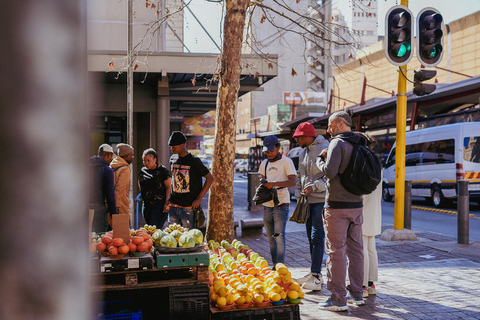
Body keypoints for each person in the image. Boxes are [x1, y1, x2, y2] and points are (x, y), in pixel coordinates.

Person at [316, 108, 365, 311]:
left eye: (330, 125)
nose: (328, 130)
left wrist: (320, 158)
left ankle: (337, 298)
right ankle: (357, 294)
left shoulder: (337, 143)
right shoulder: (360, 141)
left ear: (340, 125)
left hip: (337, 207)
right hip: (357, 205)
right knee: (356, 251)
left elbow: (329, 172)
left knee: (336, 252)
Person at [293, 122, 329, 291]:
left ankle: (316, 275)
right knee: (310, 237)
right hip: (307, 201)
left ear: (307, 136)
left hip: (321, 200)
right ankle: (315, 272)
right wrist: (298, 193)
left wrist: (314, 187)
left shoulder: (325, 148)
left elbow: (331, 178)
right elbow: (300, 174)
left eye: (298, 138)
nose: (296, 141)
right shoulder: (303, 152)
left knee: (317, 237)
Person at [258, 135, 296, 266]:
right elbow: (263, 180)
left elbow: (293, 182)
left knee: (279, 236)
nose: (268, 153)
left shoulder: (286, 162)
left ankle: (281, 267)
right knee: (270, 238)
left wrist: (274, 183)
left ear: (278, 148)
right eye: (266, 151)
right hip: (267, 205)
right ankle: (275, 265)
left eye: (271, 150)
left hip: (281, 203)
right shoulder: (264, 163)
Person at [167, 131, 213, 228]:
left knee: (187, 240)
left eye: (174, 146)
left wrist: (199, 198)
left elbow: (209, 178)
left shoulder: (194, 161)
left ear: (182, 145)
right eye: (171, 146)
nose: (172, 149)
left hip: (188, 208)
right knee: (172, 238)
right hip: (173, 206)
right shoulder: (172, 159)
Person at [361, 134, 382, 298]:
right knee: (371, 249)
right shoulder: (377, 162)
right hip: (374, 211)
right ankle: (371, 284)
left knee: (361, 250)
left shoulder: (362, 162)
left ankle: (362, 285)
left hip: (361, 211)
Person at [139, 148, 172, 229]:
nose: (146, 163)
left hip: (159, 205)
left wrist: (167, 204)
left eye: (148, 160)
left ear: (155, 159)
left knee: (155, 229)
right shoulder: (143, 170)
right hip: (146, 205)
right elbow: (140, 181)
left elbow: (169, 187)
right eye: (144, 161)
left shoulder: (163, 171)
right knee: (149, 229)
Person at [89, 144, 118, 232]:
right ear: (108, 155)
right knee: (99, 238)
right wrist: (114, 214)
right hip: (98, 210)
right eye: (111, 157)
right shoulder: (107, 170)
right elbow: (110, 194)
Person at [110, 143, 134, 222]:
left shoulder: (112, 166)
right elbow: (120, 189)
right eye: (132, 155)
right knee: (125, 232)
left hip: (110, 205)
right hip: (120, 208)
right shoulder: (125, 169)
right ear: (126, 156)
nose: (133, 157)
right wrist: (115, 208)